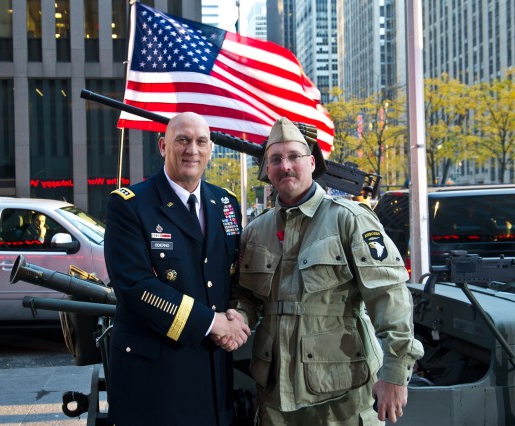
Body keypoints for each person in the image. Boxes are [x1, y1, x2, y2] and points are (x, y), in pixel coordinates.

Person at [230, 117, 424, 425]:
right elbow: (247, 296)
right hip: (275, 395)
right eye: (276, 159)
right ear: (267, 171)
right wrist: (238, 316)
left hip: (342, 395)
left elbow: (389, 296)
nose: (286, 166)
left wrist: (396, 374)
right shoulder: (256, 231)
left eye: (294, 156)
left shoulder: (349, 220)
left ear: (311, 162)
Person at [103, 112, 251, 426]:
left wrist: (238, 315)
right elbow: (135, 286)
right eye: (182, 140)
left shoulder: (225, 203)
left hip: (213, 373)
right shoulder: (130, 205)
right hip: (157, 379)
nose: (191, 150)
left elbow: (234, 275)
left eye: (201, 142)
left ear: (211, 149)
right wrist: (212, 323)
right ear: (162, 146)